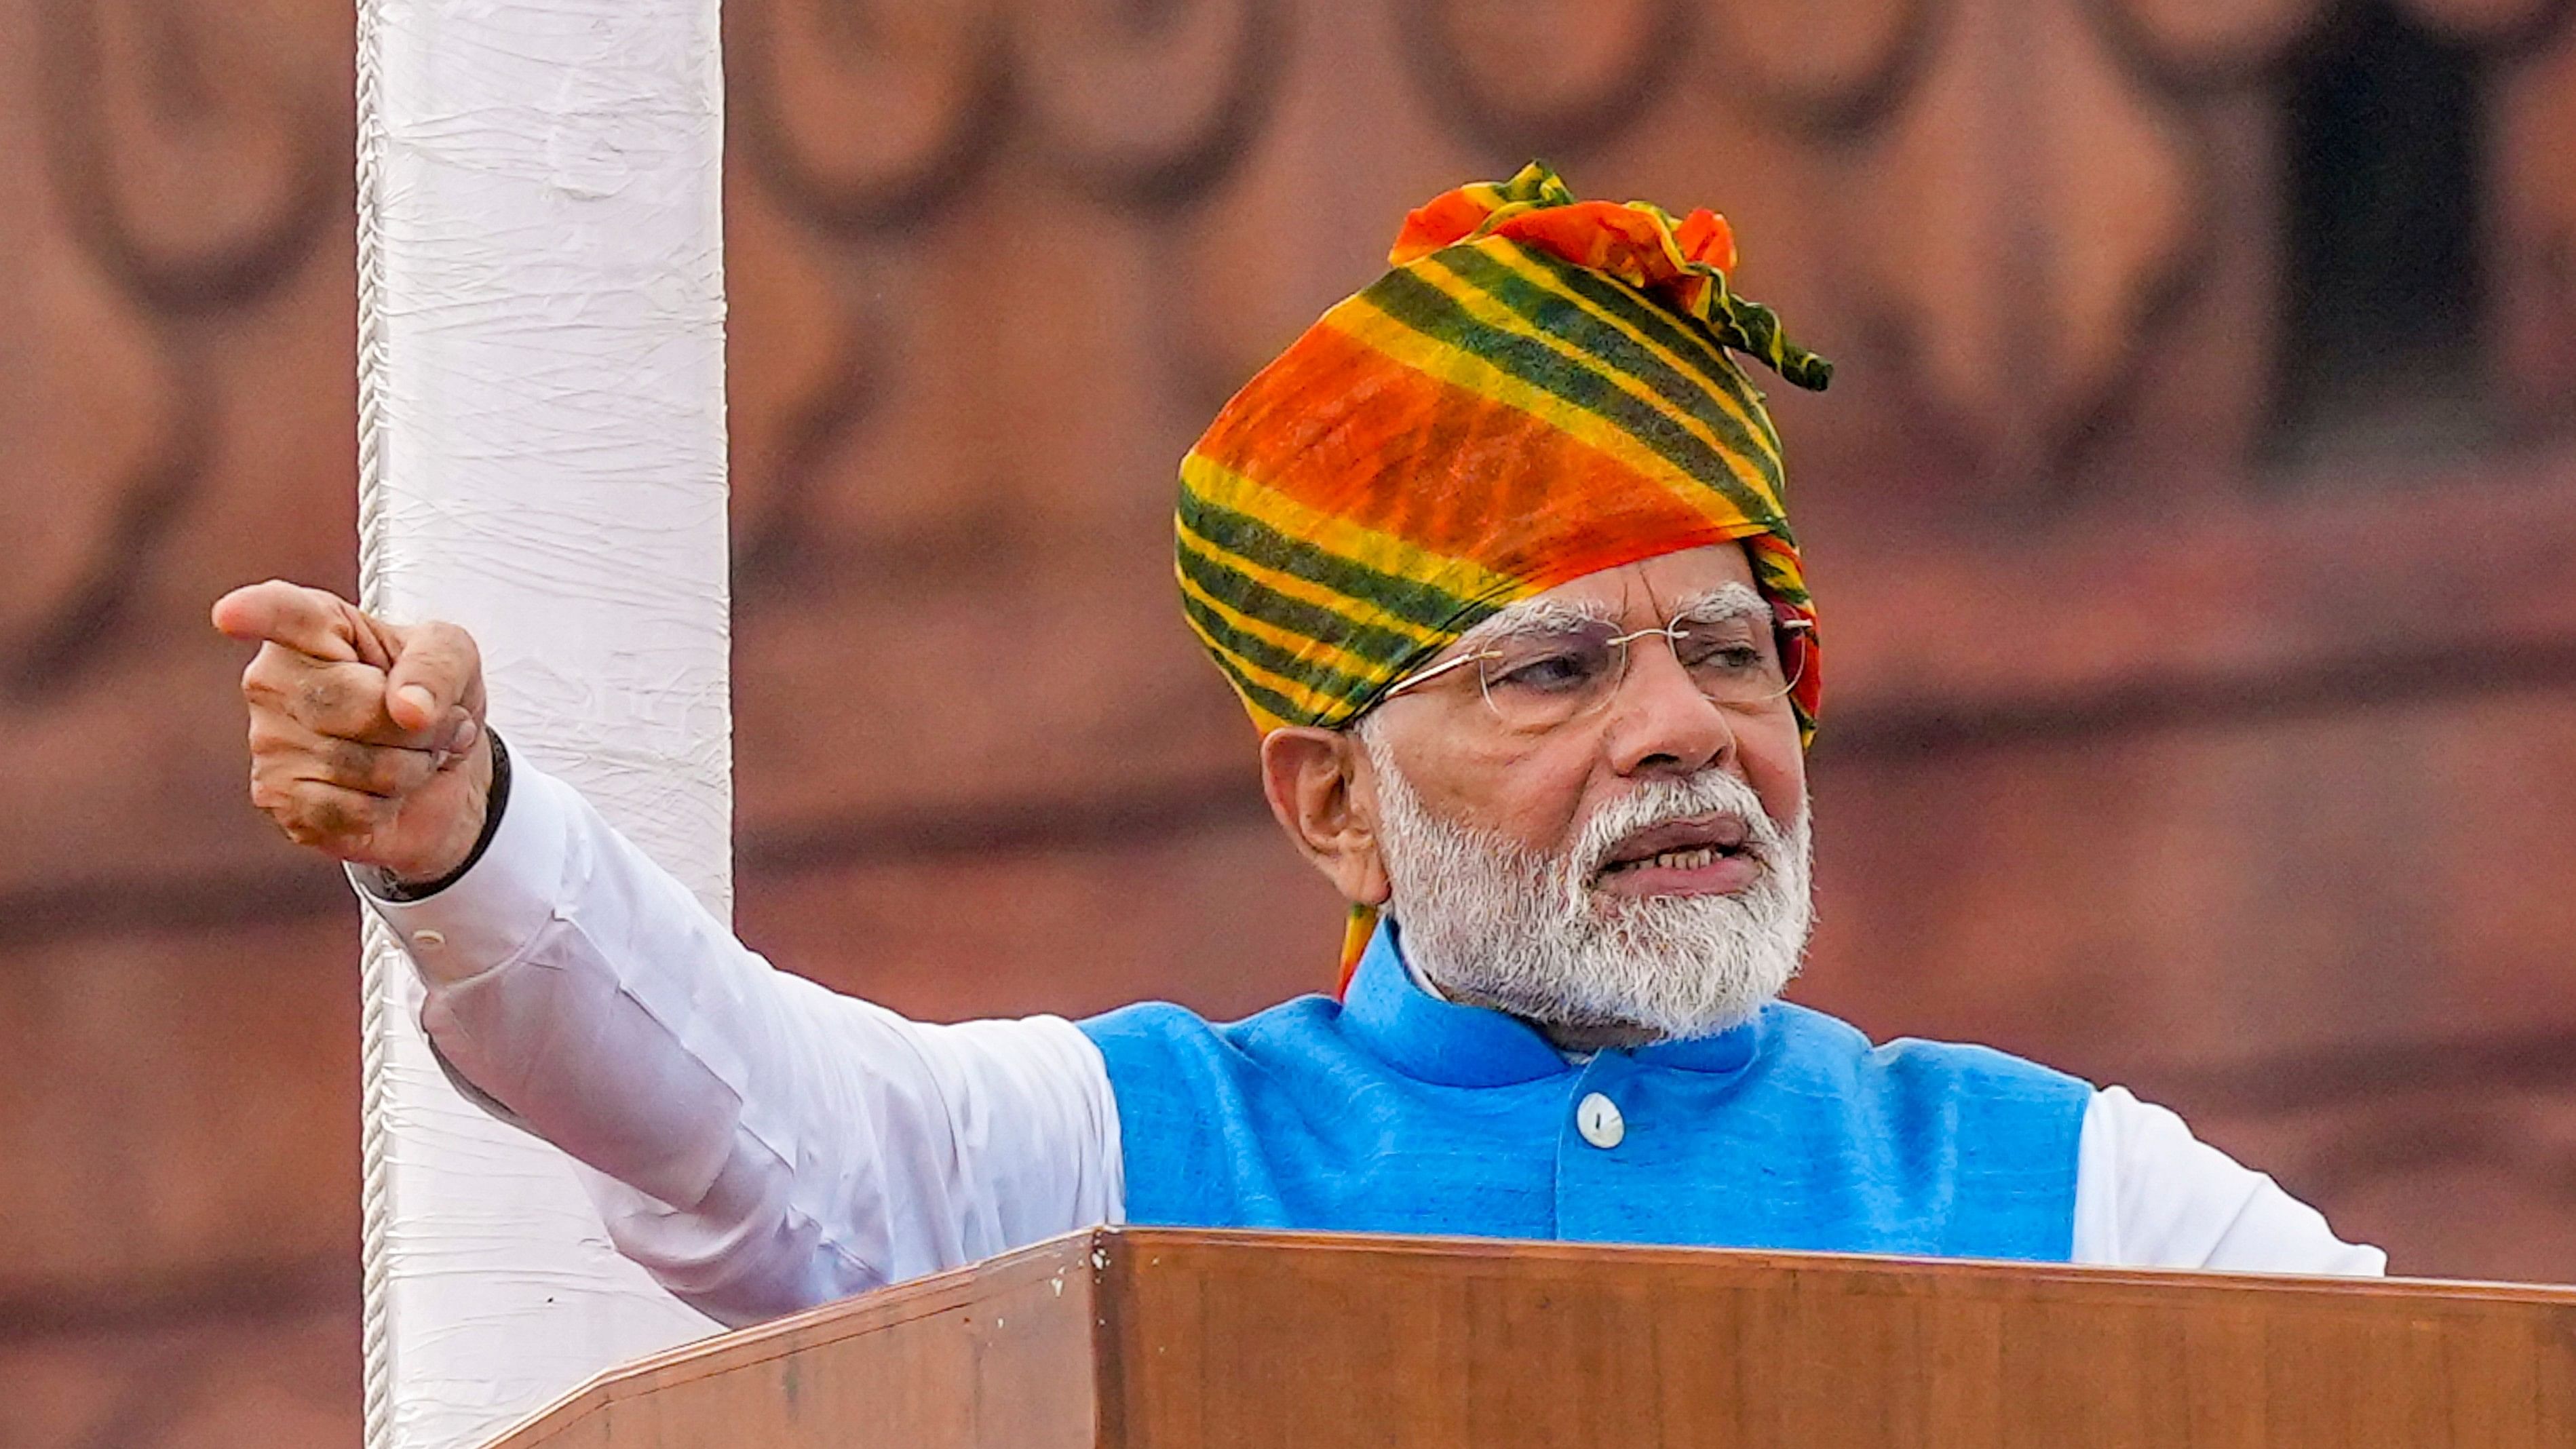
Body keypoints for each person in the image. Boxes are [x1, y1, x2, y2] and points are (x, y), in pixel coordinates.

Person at [215, 165, 2382, 1329]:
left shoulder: (2074, 1201)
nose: (1680, 737)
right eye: (1553, 675)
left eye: (1730, 656)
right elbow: (744, 1124)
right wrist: (464, 838)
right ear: (1332, 801)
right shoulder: (1119, 1161)